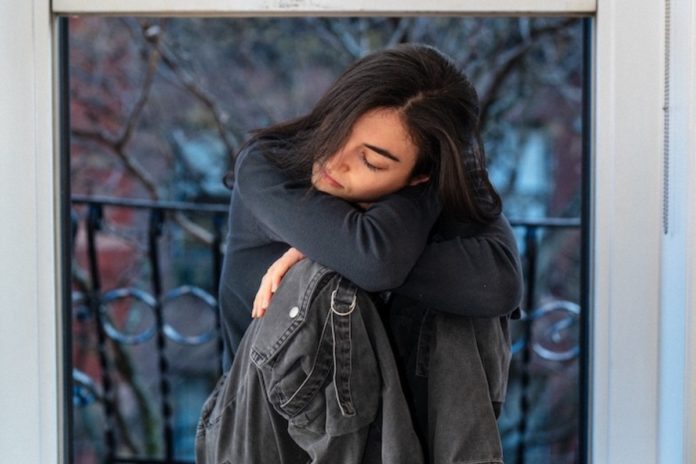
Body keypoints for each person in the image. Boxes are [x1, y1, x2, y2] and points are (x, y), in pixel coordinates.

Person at [217, 44, 523, 463]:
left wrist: (421, 196)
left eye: (371, 162)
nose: (335, 159)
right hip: (261, 435)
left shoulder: (426, 185)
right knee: (322, 282)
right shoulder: (268, 167)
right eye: (337, 129)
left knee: (460, 306)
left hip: (403, 436)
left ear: (420, 175)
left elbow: (499, 283)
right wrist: (332, 256)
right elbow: (374, 261)